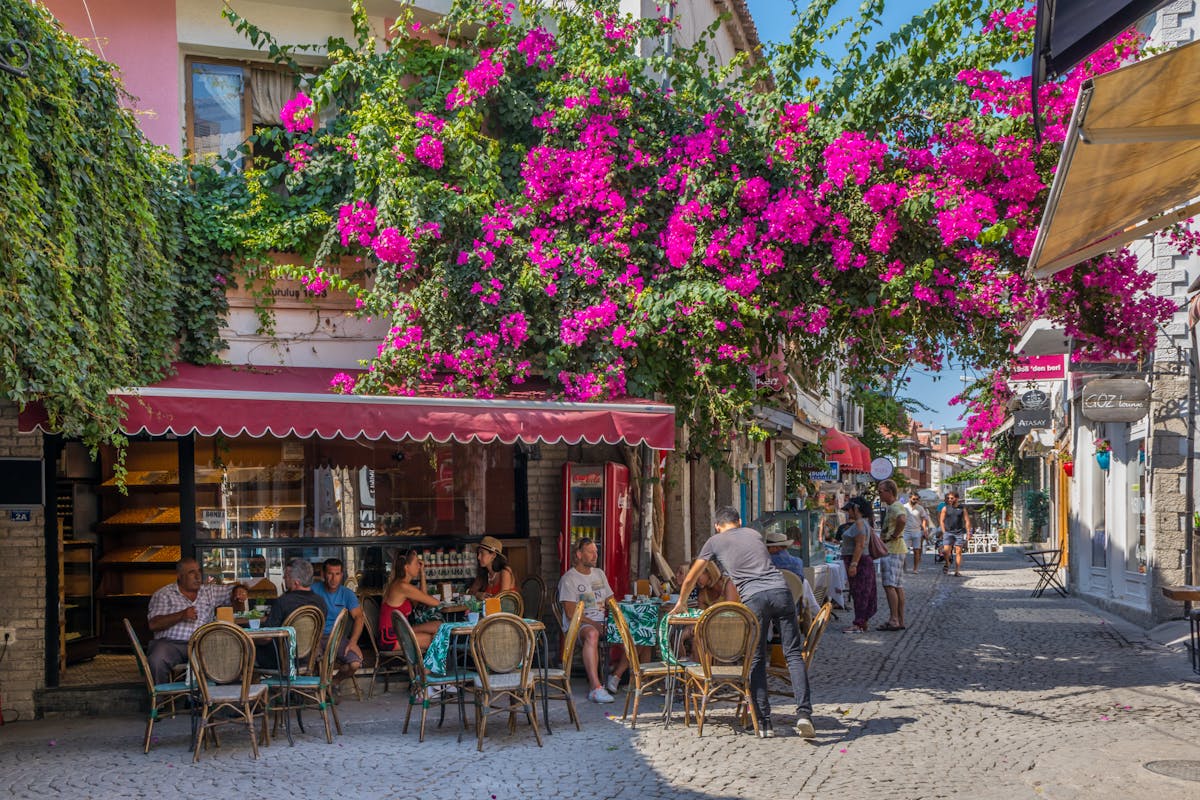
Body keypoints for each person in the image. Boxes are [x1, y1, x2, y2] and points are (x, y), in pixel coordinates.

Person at [673, 506, 815, 740]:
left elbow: (690, 577)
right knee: (793, 654)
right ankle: (804, 715)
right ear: (739, 521)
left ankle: (764, 722)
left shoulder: (714, 541)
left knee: (756, 657)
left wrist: (681, 602)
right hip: (781, 590)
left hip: (754, 598)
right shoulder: (754, 534)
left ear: (717, 525)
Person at [146, 559, 244, 684]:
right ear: (180, 576)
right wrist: (182, 615)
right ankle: (162, 701)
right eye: (192, 572)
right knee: (157, 659)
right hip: (171, 644)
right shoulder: (164, 594)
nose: (198, 576)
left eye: (199, 571)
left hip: (203, 644)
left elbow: (233, 590)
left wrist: (239, 591)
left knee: (231, 654)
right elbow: (154, 624)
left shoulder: (209, 591)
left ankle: (223, 699)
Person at [558, 537, 629, 704]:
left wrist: (620, 617)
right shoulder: (569, 579)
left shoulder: (599, 574)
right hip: (580, 625)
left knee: (636, 630)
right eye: (590, 552)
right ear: (579, 554)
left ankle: (616, 677)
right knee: (592, 634)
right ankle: (596, 688)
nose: (595, 555)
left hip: (603, 623)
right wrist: (596, 624)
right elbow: (570, 613)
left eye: (596, 552)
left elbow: (610, 602)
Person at [311, 558, 365, 687]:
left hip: (337, 638)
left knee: (355, 663)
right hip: (314, 638)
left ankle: (334, 683)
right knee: (309, 663)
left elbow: (359, 617)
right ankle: (314, 689)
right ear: (323, 574)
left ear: (342, 575)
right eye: (330, 573)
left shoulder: (347, 594)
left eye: (337, 574)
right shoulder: (312, 590)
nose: (334, 578)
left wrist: (353, 642)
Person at [379, 549, 444, 650]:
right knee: (434, 639)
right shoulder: (403, 587)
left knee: (439, 626)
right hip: (390, 637)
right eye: (416, 563)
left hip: (399, 630)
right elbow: (435, 603)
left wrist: (422, 573)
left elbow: (423, 597)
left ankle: (429, 664)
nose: (419, 565)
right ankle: (429, 665)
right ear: (406, 567)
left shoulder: (400, 584)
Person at [840, 496, 878, 634]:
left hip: (859, 561)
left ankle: (858, 624)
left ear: (856, 508)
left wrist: (853, 564)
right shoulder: (863, 522)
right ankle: (863, 621)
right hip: (862, 561)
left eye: (849, 509)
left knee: (860, 592)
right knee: (864, 592)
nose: (847, 513)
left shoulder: (860, 524)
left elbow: (860, 544)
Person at [876, 480, 907, 632]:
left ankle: (894, 619)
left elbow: (902, 519)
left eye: (881, 491)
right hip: (897, 549)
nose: (879, 493)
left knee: (889, 586)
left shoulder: (895, 506)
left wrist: (894, 535)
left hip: (892, 549)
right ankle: (899, 619)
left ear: (889, 491)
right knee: (897, 586)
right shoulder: (892, 507)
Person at [939, 492, 972, 576]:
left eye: (952, 498)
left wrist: (969, 532)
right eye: (949, 498)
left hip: (959, 532)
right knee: (946, 552)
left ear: (957, 498)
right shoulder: (945, 508)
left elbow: (967, 521)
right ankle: (947, 563)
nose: (949, 500)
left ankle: (957, 571)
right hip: (948, 532)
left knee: (958, 551)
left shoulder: (962, 508)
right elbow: (941, 521)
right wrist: (943, 531)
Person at [902, 493, 932, 573]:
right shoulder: (904, 507)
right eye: (914, 499)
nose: (915, 501)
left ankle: (915, 569)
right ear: (909, 498)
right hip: (906, 531)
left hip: (917, 531)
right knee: (903, 551)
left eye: (917, 499)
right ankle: (904, 566)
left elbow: (924, 519)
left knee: (917, 551)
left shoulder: (920, 508)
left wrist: (925, 530)